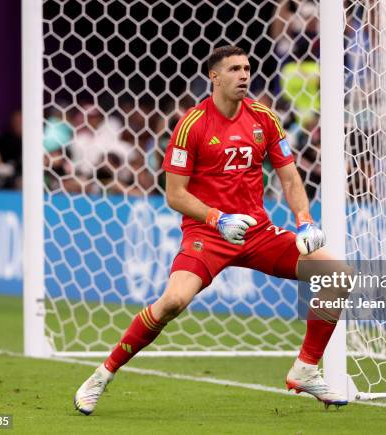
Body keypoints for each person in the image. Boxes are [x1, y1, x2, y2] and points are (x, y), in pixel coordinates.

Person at [74, 46, 350, 415]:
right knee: (172, 302)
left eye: (247, 68)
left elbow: (288, 174)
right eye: (234, 69)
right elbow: (174, 194)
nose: (243, 75)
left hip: (258, 232)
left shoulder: (263, 117)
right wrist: (217, 218)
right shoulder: (192, 124)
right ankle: (102, 374)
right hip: (209, 234)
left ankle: (305, 368)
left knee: (337, 274)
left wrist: (304, 219)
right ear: (214, 76)